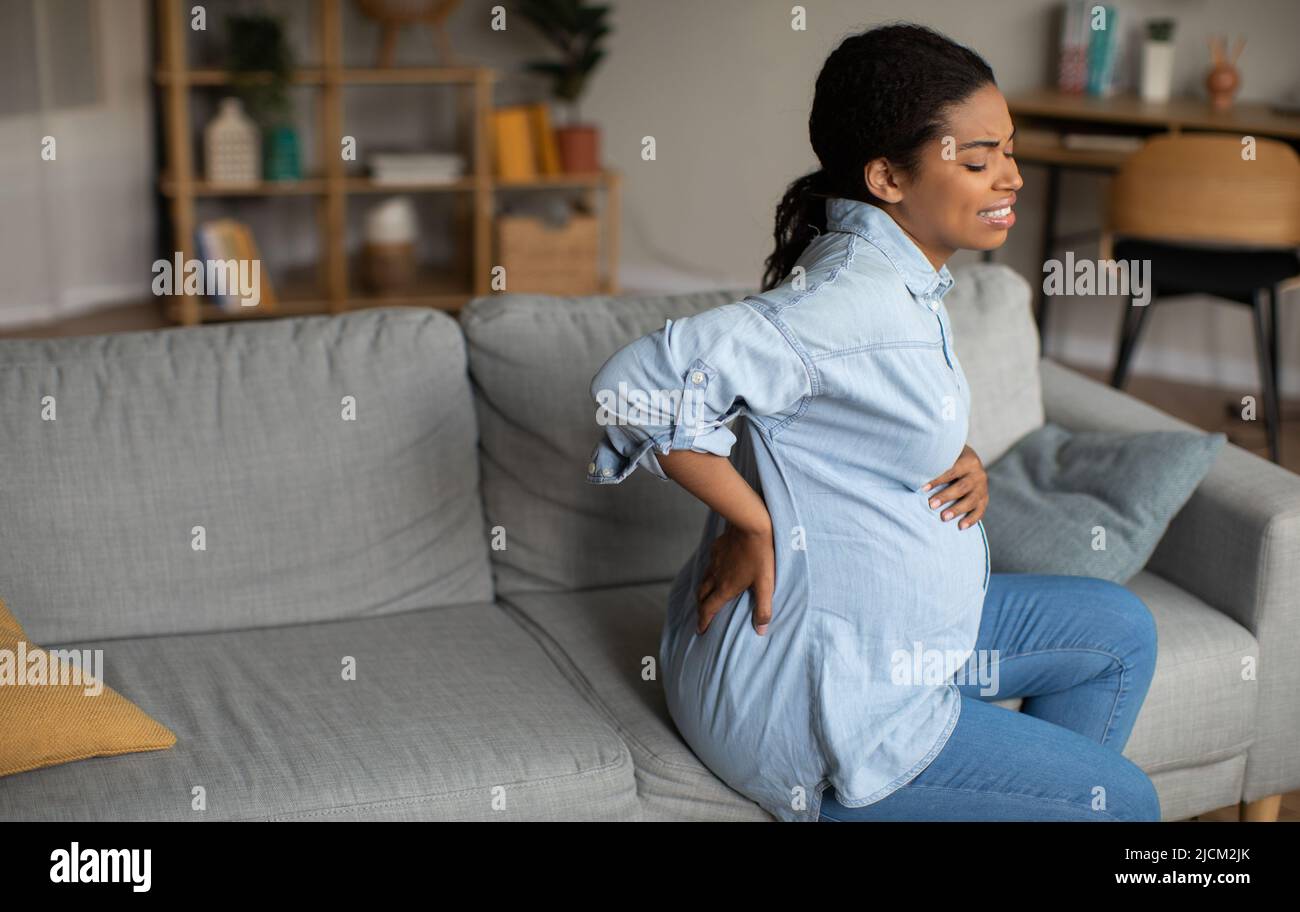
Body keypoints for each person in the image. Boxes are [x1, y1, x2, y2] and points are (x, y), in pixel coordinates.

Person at [584, 22, 1160, 823]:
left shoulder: (899, 278)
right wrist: (749, 523)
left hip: (886, 642)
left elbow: (842, 410)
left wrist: (952, 451)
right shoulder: (851, 301)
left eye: (1010, 150)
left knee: (1118, 631)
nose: (1013, 178)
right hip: (810, 699)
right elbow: (634, 387)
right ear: (888, 176)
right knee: (1126, 803)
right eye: (979, 158)